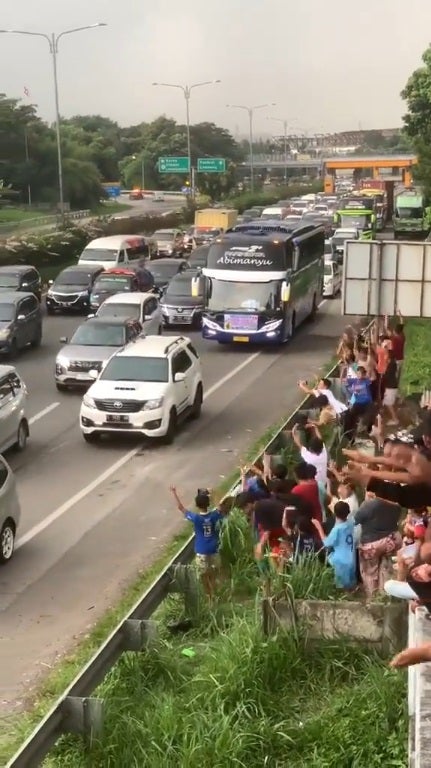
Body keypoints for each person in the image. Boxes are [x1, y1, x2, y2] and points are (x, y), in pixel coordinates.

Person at [170, 486, 224, 598]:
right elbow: (220, 507)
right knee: (214, 573)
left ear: (196, 505)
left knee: (204, 576)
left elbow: (181, 508)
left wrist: (174, 493)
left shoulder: (196, 518)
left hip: (202, 550)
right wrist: (213, 494)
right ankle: (216, 593)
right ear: (208, 504)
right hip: (214, 549)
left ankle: (209, 597)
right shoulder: (214, 516)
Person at [354, 495, 402, 597]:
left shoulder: (370, 505)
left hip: (371, 544)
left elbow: (356, 519)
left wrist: (365, 502)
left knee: (369, 573)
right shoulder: (396, 505)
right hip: (390, 542)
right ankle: (384, 597)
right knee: (386, 570)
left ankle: (372, 599)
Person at [311, 501, 357, 589]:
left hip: (340, 561)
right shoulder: (350, 523)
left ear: (335, 514)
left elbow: (327, 543)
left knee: (341, 587)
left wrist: (319, 527)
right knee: (351, 584)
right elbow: (340, 519)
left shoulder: (337, 529)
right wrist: (335, 511)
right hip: (351, 558)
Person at [382, 348, 399, 426]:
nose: (384, 356)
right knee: (389, 403)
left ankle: (395, 419)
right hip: (392, 386)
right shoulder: (392, 364)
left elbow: (387, 376)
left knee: (389, 404)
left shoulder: (391, 365)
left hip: (390, 386)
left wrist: (383, 375)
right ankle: (394, 417)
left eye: (385, 354)